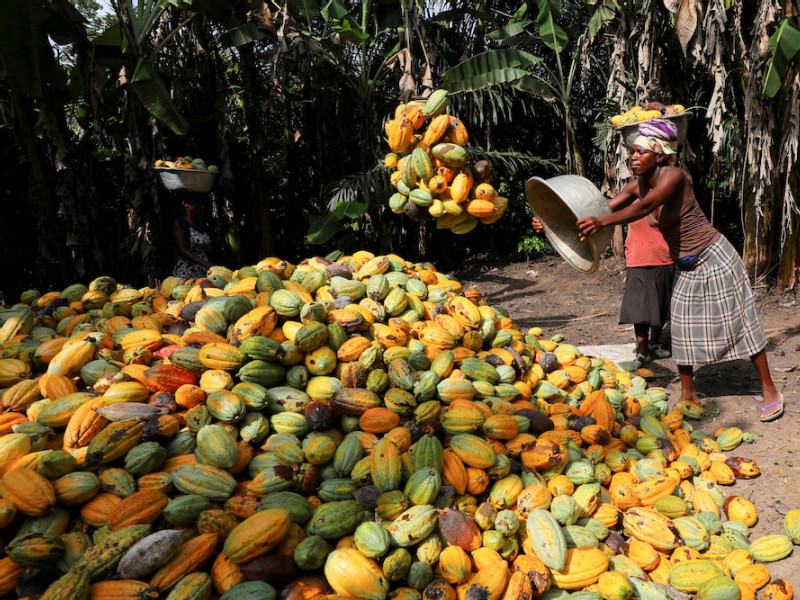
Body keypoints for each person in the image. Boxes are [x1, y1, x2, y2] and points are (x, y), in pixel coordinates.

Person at [574, 118, 783, 421]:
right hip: (685, 266)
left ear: (659, 155)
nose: (633, 157)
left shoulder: (674, 176)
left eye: (641, 152)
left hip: (714, 257)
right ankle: (688, 394)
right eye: (632, 152)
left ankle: (770, 390)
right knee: (682, 329)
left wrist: (603, 223)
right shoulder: (637, 184)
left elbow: (644, 208)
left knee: (742, 323)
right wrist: (562, 218)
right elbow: (604, 210)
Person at [533, 193, 674, 370]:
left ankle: (654, 343)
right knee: (639, 309)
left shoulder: (668, 191)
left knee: (659, 306)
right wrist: (548, 222)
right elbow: (592, 216)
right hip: (637, 259)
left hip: (665, 258)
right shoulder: (632, 194)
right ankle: (643, 351)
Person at [172, 196, 212, 280]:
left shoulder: (199, 223)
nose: (201, 205)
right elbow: (182, 249)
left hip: (203, 270)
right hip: (187, 272)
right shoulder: (181, 223)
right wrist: (206, 264)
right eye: (197, 202)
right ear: (185, 204)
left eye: (201, 203)